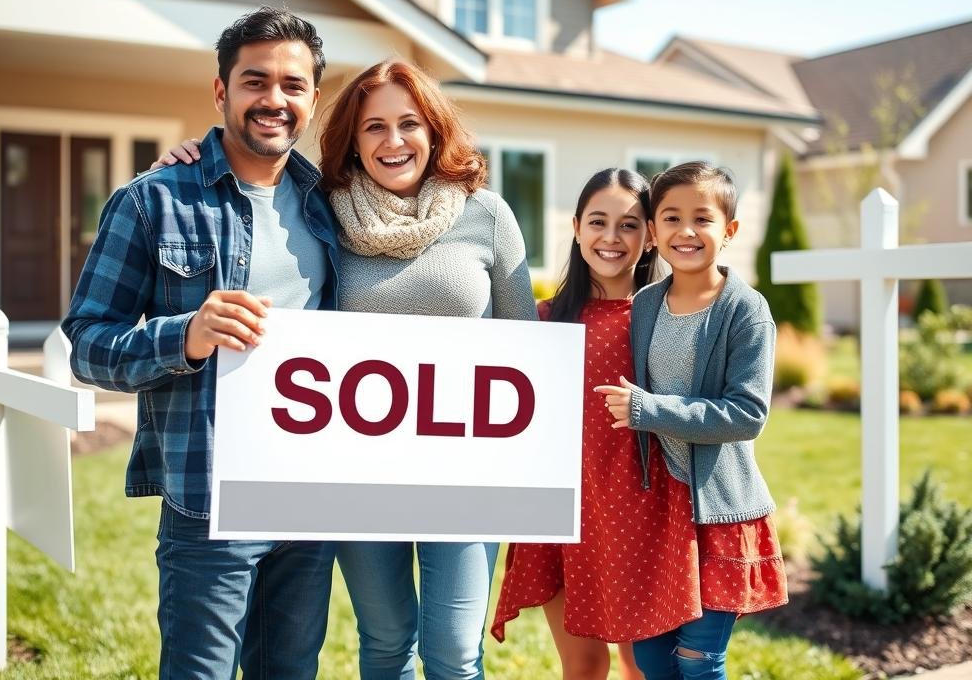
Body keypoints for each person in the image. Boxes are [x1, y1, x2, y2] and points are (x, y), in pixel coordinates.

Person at [155, 58, 538, 680]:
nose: (393, 142)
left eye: (409, 123)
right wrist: (192, 161)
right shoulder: (322, 208)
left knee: (454, 651)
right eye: (374, 127)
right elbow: (252, 179)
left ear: (435, 130)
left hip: (465, 469)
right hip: (359, 468)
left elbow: (523, 343)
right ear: (352, 141)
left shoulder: (486, 215)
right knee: (386, 642)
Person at [62, 6, 340, 680]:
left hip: (311, 493)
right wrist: (184, 336)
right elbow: (87, 344)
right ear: (221, 92)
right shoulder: (151, 201)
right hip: (211, 494)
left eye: (292, 85)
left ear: (313, 99)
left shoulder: (331, 203)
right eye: (255, 81)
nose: (274, 99)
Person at [490, 168, 703, 680]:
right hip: (562, 508)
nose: (611, 238)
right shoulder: (540, 321)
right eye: (598, 222)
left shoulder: (667, 318)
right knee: (582, 662)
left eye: (628, 225)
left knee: (641, 662)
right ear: (577, 227)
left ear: (650, 236)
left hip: (642, 508)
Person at [598, 161, 788, 680]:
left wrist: (647, 409)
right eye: (672, 218)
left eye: (702, 218)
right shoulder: (645, 305)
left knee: (698, 659)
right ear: (654, 232)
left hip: (717, 512)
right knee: (652, 658)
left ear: (728, 230)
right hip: (656, 514)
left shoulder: (745, 310)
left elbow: (747, 414)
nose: (686, 231)